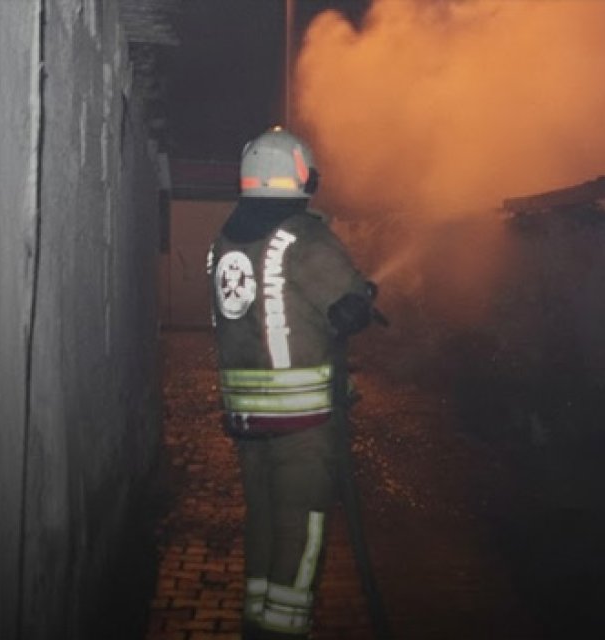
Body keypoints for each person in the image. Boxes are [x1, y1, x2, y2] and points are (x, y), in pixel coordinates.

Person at [207, 127, 376, 639]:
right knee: (302, 527)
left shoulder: (227, 238)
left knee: (263, 520)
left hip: (247, 418)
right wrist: (361, 298)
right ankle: (284, 629)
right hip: (302, 423)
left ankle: (256, 623)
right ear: (303, 175)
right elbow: (345, 304)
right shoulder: (303, 237)